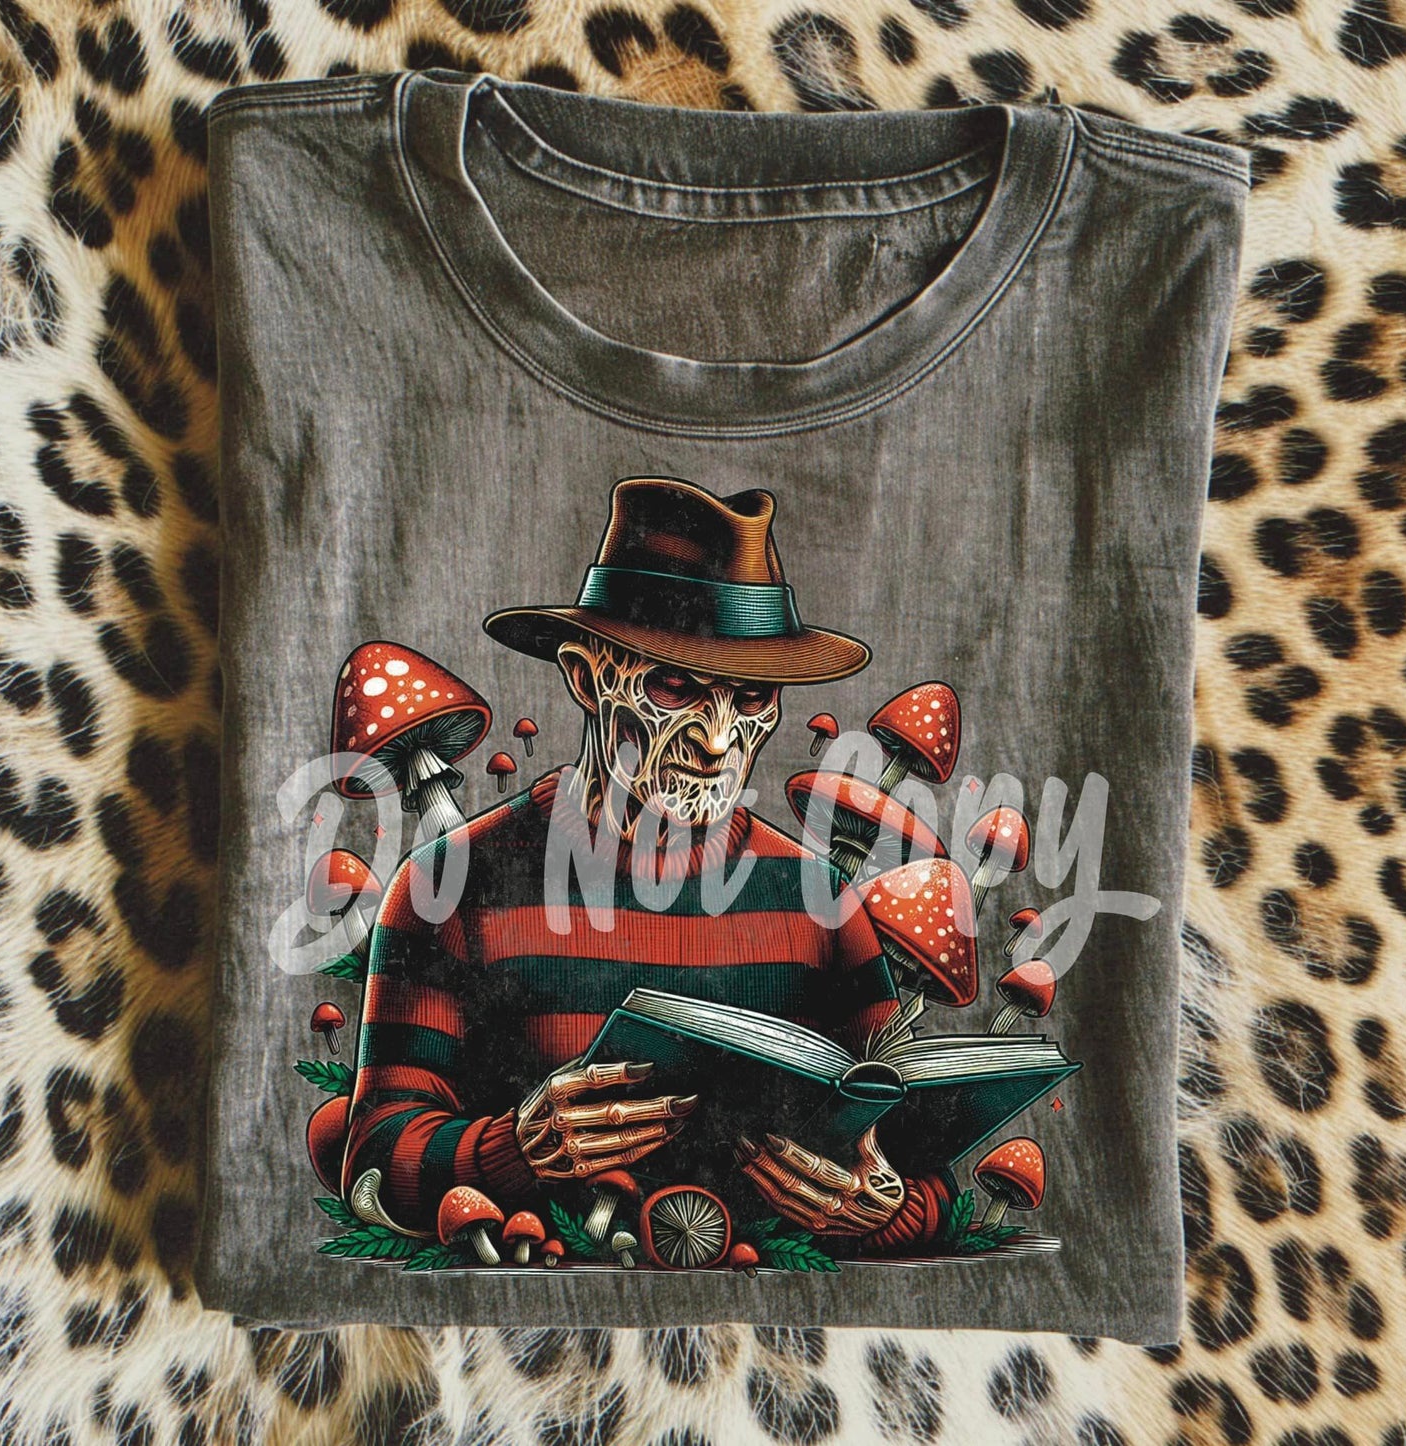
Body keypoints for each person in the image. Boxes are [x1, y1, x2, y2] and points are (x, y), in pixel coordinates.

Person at [341, 477, 955, 1254]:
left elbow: (922, 1161)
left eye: (751, 698)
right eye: (675, 687)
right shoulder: (449, 884)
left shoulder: (822, 901)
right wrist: (511, 1151)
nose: (717, 739)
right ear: (586, 675)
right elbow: (373, 1153)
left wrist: (883, 1207)